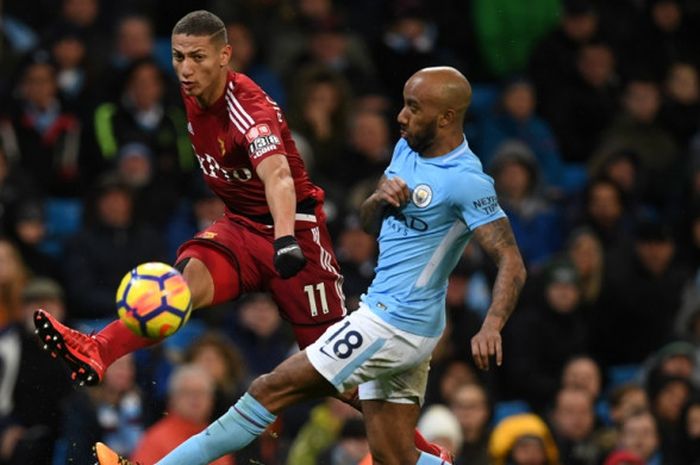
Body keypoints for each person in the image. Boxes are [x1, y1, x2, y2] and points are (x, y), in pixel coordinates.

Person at [34, 9, 447, 460]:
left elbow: (279, 177)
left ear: (225, 56)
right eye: (177, 58)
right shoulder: (191, 91)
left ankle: (427, 457)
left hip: (295, 238)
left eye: (197, 57)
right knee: (180, 285)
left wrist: (286, 237)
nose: (186, 69)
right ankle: (98, 350)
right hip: (239, 226)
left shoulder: (246, 106)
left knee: (337, 371)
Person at [94, 65, 526, 465]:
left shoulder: (467, 181)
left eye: (414, 107)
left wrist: (491, 325)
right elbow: (368, 218)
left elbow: (510, 259)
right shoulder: (408, 148)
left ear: (448, 117)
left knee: (268, 389)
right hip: (395, 318)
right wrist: (379, 199)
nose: (400, 116)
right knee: (395, 454)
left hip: (396, 325)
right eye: (403, 103)